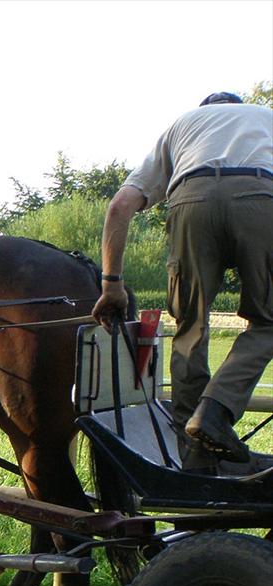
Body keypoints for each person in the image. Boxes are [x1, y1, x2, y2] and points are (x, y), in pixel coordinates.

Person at [93, 91, 273, 473]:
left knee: (190, 328)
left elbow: (120, 206)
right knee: (269, 321)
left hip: (190, 198)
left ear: (205, 111)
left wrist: (112, 285)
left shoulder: (181, 126)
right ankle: (216, 410)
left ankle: (196, 468)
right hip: (261, 194)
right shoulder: (265, 116)